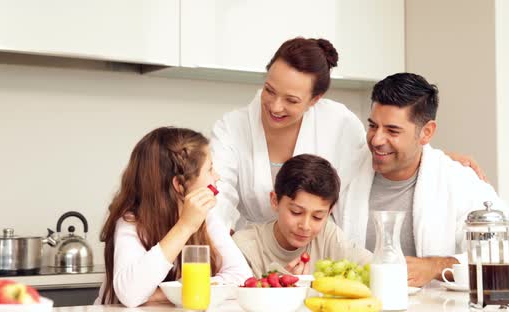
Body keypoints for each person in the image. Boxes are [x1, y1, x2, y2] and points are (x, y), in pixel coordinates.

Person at [210, 37, 484, 231]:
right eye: (269, 90)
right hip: (250, 255)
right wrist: (220, 247)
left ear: (315, 99)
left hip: (314, 258)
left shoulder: (336, 121)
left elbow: (378, 153)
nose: (275, 106)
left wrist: (437, 158)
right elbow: (216, 199)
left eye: (291, 100)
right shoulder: (232, 128)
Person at [333, 73, 507, 287]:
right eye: (373, 126)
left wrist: (435, 266)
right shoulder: (343, 174)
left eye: (392, 130)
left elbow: (501, 251)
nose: (377, 139)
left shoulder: (460, 182)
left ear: (426, 132)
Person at [95, 127, 252, 307]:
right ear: (179, 184)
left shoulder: (207, 217)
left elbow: (242, 278)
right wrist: (184, 227)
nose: (217, 177)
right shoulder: (131, 222)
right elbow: (131, 295)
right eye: (210, 170)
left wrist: (166, 291)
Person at [232, 154, 372, 278]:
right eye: (296, 212)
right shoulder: (245, 246)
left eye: (317, 217)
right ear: (275, 201)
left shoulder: (329, 236)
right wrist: (280, 286)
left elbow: (375, 265)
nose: (305, 226)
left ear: (329, 212)